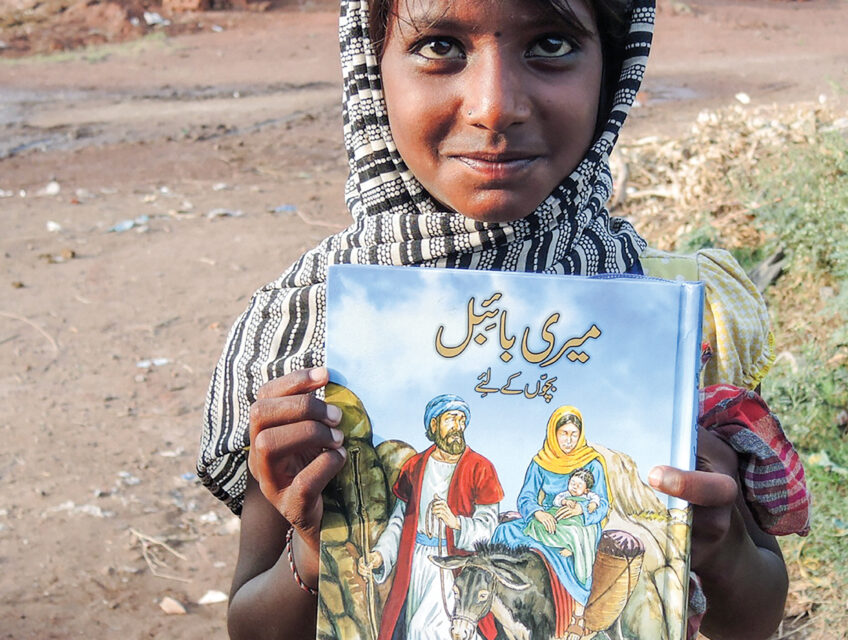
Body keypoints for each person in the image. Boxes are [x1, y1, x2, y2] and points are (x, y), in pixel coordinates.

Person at [195, 0, 809, 639]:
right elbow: (253, 624)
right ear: (371, 65)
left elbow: (753, 620)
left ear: (615, 63)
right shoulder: (305, 331)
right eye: (439, 46)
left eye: (550, 44)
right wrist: (319, 554)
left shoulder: (680, 322)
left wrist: (721, 542)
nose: (494, 106)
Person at [356, 395, 503, 640]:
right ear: (434, 425)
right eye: (451, 419)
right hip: (417, 564)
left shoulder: (481, 467)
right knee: (413, 629)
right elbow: (399, 521)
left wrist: (456, 523)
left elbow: (489, 527)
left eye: (462, 420)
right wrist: (380, 554)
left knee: (429, 629)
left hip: (456, 565)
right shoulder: (415, 466)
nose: (458, 427)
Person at [493, 407, 608, 630]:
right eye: (564, 433)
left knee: (571, 546)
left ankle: (576, 613)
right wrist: (538, 512)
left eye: (574, 434)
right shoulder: (541, 462)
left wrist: (581, 511)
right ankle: (496, 594)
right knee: (503, 532)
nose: (569, 440)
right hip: (547, 518)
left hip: (580, 524)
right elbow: (526, 497)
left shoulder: (592, 462)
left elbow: (603, 504)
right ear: (554, 434)